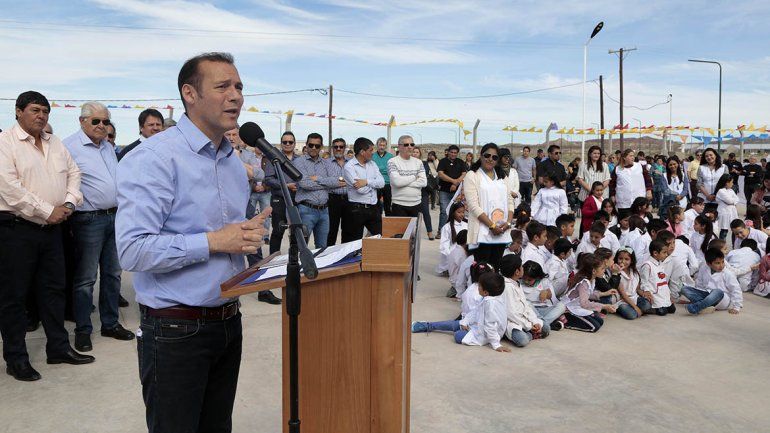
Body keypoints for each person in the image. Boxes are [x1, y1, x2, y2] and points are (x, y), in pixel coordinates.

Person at [116, 52, 272, 432]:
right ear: (190, 93)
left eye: (239, 87)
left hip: (228, 320)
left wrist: (246, 241)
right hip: (175, 331)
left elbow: (229, 238)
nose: (235, 96)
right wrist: (215, 241)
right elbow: (133, 249)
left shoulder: (233, 161)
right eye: (222, 86)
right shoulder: (154, 157)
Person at [0, 91, 94, 382]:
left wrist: (67, 204)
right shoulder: (5, 143)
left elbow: (74, 174)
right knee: (14, 298)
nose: (41, 116)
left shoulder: (55, 144)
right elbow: (9, 188)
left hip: (53, 230)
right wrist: (45, 211)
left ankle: (59, 348)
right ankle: (16, 359)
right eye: (35, 110)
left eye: (45, 112)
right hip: (16, 230)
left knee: (54, 291)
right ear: (18, 112)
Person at [63, 102, 135, 353]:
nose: (102, 126)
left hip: (116, 217)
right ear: (82, 121)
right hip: (87, 220)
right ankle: (83, 330)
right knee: (85, 279)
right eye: (96, 121)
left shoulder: (108, 147)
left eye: (105, 121)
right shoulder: (68, 147)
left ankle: (110, 323)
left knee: (113, 274)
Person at [412, 272, 510, 352]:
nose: (477, 288)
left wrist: (496, 344)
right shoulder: (488, 298)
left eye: (479, 286)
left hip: (485, 335)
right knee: (456, 324)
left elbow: (490, 325)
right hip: (478, 327)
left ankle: (431, 326)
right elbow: (475, 312)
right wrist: (465, 321)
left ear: (485, 292)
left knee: (458, 335)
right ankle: (428, 325)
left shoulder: (491, 304)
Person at [464, 143, 518, 270]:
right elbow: (473, 206)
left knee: (495, 268)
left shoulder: (502, 176)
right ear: (481, 156)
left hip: (501, 231)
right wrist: (492, 226)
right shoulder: (472, 175)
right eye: (487, 155)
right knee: (482, 271)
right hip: (482, 232)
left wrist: (508, 223)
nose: (490, 159)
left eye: (494, 157)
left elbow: (510, 200)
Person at [294, 133, 343, 249]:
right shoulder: (299, 162)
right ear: (306, 145)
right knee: (301, 246)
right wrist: (326, 183)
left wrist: (318, 179)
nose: (314, 148)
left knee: (322, 248)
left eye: (317, 146)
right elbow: (304, 184)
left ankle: (319, 268)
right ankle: (303, 267)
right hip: (306, 210)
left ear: (321, 147)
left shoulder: (326, 163)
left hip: (324, 211)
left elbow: (338, 182)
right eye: (311, 145)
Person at [500, 255, 549, 348]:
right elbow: (511, 314)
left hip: (523, 319)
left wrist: (534, 321)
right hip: (511, 321)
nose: (523, 268)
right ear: (517, 272)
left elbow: (526, 305)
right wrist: (529, 326)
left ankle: (529, 331)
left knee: (546, 328)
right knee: (523, 340)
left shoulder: (516, 282)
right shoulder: (507, 286)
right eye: (521, 266)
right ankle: (528, 334)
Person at [342, 137, 385, 242]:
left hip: (373, 208)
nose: (373, 153)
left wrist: (366, 182)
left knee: (379, 241)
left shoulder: (373, 164)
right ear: (362, 152)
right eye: (370, 150)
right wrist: (374, 185)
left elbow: (382, 183)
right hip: (356, 210)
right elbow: (360, 190)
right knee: (353, 244)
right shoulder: (349, 167)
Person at [560, 254, 616, 332]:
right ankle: (565, 321)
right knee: (594, 327)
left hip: (577, 306)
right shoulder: (584, 283)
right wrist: (604, 306)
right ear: (594, 271)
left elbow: (588, 294)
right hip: (569, 308)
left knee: (600, 321)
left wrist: (604, 294)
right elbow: (585, 304)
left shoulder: (592, 280)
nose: (604, 271)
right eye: (602, 268)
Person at [265, 131, 298, 255]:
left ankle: (294, 259)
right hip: (279, 199)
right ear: (281, 143)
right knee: (278, 231)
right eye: (285, 142)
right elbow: (268, 179)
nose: (288, 144)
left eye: (290, 142)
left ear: (294, 144)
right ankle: (273, 260)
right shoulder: (273, 158)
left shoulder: (299, 160)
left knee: (296, 231)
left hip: (296, 200)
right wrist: (286, 185)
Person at [683, 248, 733, 315]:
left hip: (721, 299)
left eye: (722, 262)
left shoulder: (728, 273)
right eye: (717, 263)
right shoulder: (703, 268)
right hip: (707, 295)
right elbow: (699, 284)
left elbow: (735, 289)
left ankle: (696, 307)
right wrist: (698, 292)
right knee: (684, 289)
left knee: (717, 291)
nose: (721, 265)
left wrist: (737, 307)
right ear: (708, 264)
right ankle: (705, 306)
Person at [387, 135, 427, 218]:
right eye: (406, 145)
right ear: (399, 147)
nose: (409, 147)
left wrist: (404, 182)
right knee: (399, 231)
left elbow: (423, 182)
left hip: (416, 204)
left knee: (414, 231)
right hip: (399, 205)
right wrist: (414, 177)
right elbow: (397, 182)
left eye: (412, 144)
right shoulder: (392, 162)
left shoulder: (418, 162)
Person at [639, 239, 676, 316]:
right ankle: (649, 309)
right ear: (655, 253)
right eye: (664, 252)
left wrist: (669, 295)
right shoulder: (647, 265)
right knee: (663, 312)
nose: (666, 255)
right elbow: (644, 281)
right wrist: (647, 291)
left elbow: (663, 280)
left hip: (662, 293)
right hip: (654, 294)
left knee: (672, 309)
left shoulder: (660, 263)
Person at [437, 144, 467, 235]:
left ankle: (456, 230)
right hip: (444, 191)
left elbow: (464, 173)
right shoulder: (443, 161)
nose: (453, 154)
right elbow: (441, 174)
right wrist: (453, 181)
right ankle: (441, 231)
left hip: (457, 192)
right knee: (444, 211)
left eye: (455, 153)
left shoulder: (460, 162)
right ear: (448, 152)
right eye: (451, 152)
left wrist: (457, 182)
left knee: (458, 211)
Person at [614, 248, 652, 319]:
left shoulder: (634, 272)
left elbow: (637, 289)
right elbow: (623, 294)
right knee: (631, 315)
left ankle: (637, 310)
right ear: (616, 259)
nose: (623, 261)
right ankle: (628, 310)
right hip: (623, 300)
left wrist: (644, 294)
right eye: (620, 258)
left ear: (631, 261)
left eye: (626, 259)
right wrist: (635, 307)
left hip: (635, 298)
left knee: (647, 305)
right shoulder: (617, 274)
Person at [327, 138, 350, 246]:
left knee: (347, 230)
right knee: (331, 230)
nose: (338, 149)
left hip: (348, 199)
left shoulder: (351, 163)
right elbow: (323, 181)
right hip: (332, 199)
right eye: (336, 147)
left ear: (344, 148)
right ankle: (328, 256)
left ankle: (344, 256)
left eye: (341, 147)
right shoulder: (326, 163)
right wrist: (336, 183)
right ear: (332, 148)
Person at [437, 202, 467, 277]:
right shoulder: (447, 227)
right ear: (453, 213)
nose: (462, 214)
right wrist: (451, 257)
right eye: (459, 212)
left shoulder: (466, 225)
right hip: (451, 254)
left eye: (463, 212)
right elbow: (444, 245)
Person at [414, 147, 434, 239]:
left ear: (420, 154)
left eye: (417, 152)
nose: (415, 154)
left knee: (425, 212)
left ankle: (429, 232)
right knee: (413, 213)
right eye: (413, 152)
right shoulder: (407, 163)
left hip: (423, 191)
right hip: (412, 191)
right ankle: (413, 232)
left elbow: (424, 174)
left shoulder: (424, 163)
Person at [372, 137, 393, 216]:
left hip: (387, 184)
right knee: (376, 206)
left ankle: (388, 224)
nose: (382, 147)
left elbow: (390, 170)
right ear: (377, 145)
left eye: (384, 145)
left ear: (386, 146)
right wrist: (383, 170)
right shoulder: (372, 156)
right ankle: (376, 223)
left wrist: (379, 169)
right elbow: (372, 170)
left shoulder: (390, 156)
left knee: (388, 206)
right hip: (376, 184)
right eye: (380, 145)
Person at [714, 174, 738, 240]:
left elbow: (737, 199)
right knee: (724, 231)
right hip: (724, 213)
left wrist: (732, 202)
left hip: (732, 212)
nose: (732, 184)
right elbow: (729, 201)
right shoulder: (721, 191)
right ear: (727, 182)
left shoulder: (731, 190)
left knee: (735, 229)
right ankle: (721, 246)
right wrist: (732, 202)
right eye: (731, 182)